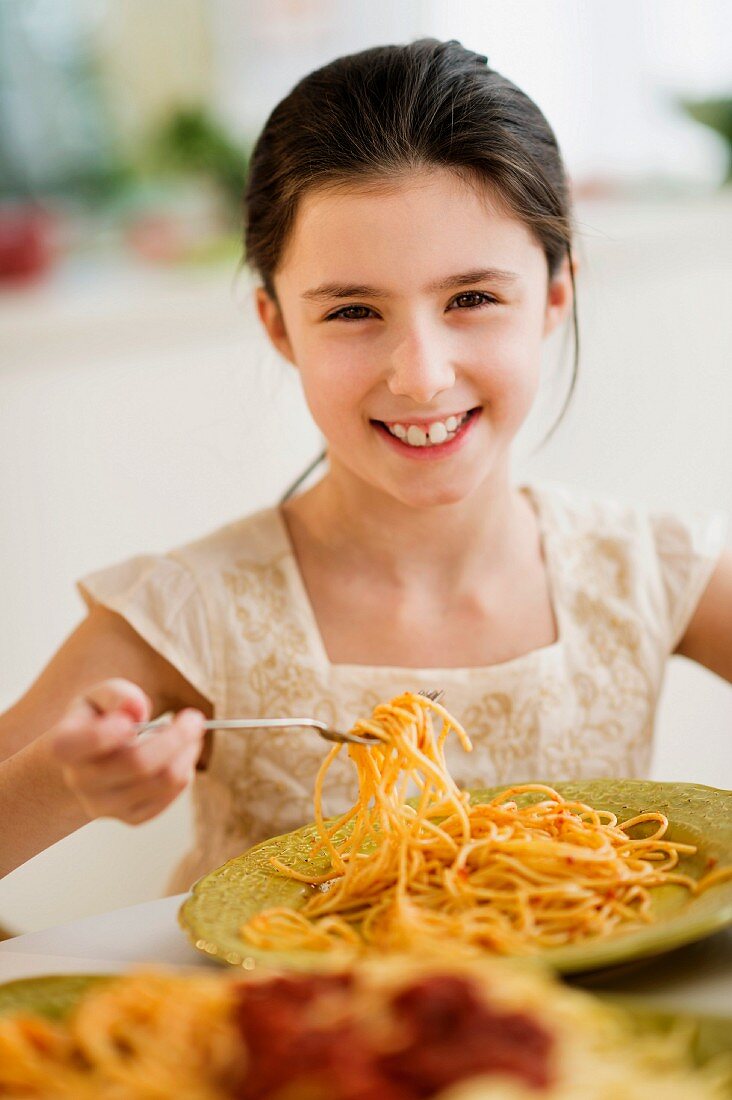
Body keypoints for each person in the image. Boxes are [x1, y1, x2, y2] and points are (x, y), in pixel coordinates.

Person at [1, 40, 730, 891]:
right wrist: (62, 783)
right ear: (278, 327)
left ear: (556, 297)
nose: (420, 374)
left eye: (472, 299)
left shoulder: (648, 570)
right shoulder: (190, 612)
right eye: (353, 310)